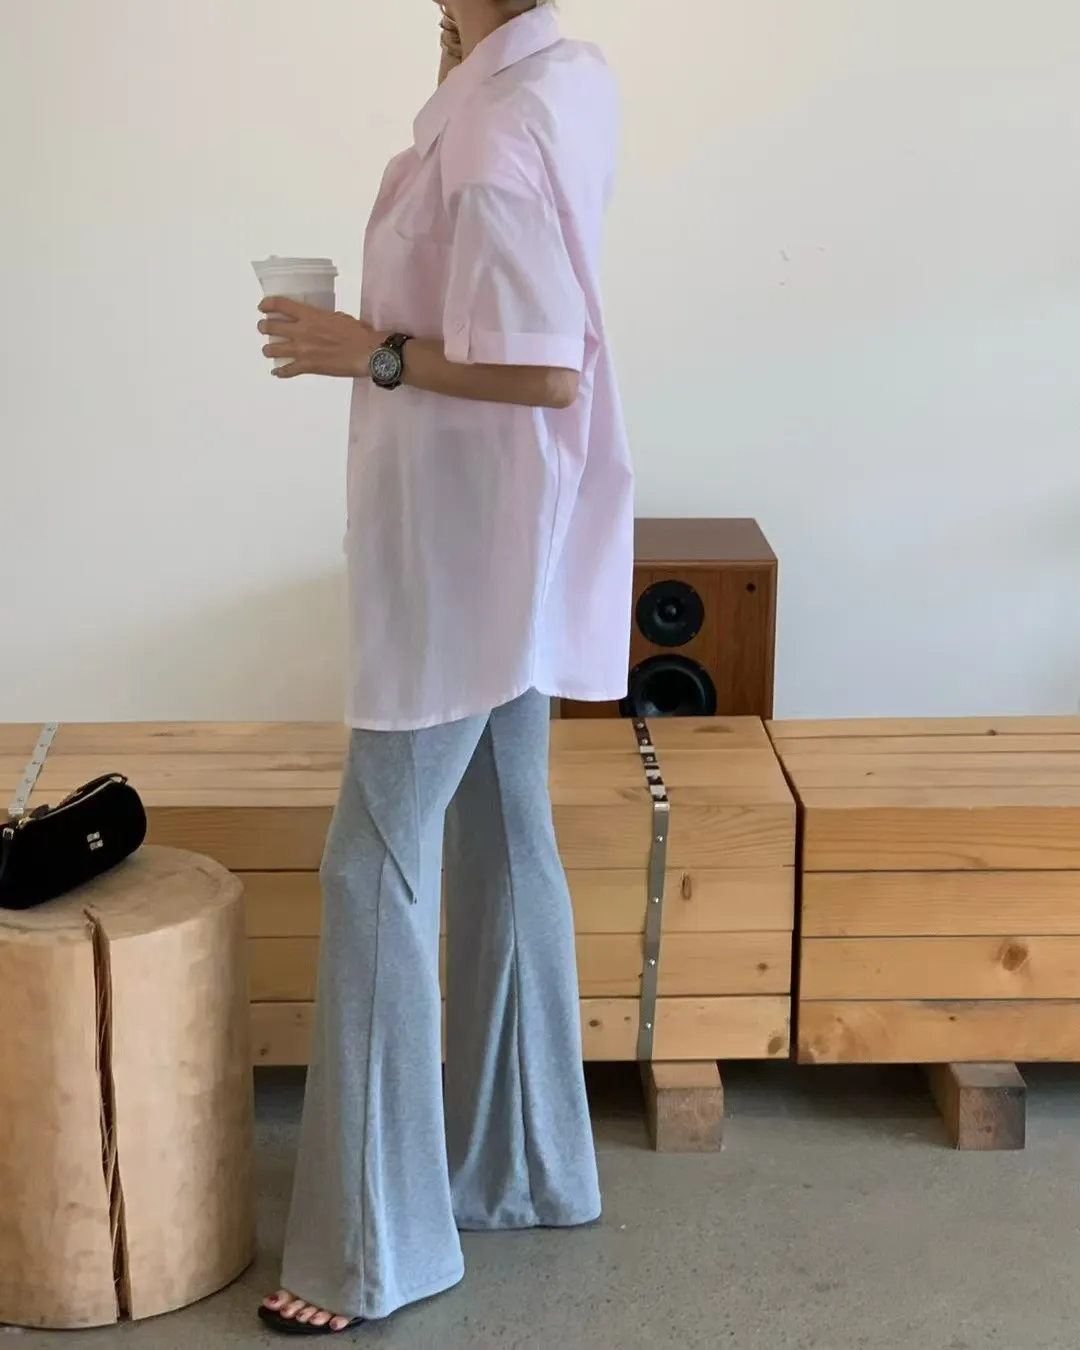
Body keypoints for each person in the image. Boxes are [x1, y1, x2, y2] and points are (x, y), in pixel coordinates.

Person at [255, 0, 633, 1335]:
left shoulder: (494, 129)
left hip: (461, 549)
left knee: (373, 863)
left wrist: (363, 349)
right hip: (515, 532)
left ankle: (372, 1247)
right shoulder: (562, 78)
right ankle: (524, 1163)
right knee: (503, 829)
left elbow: (544, 368)